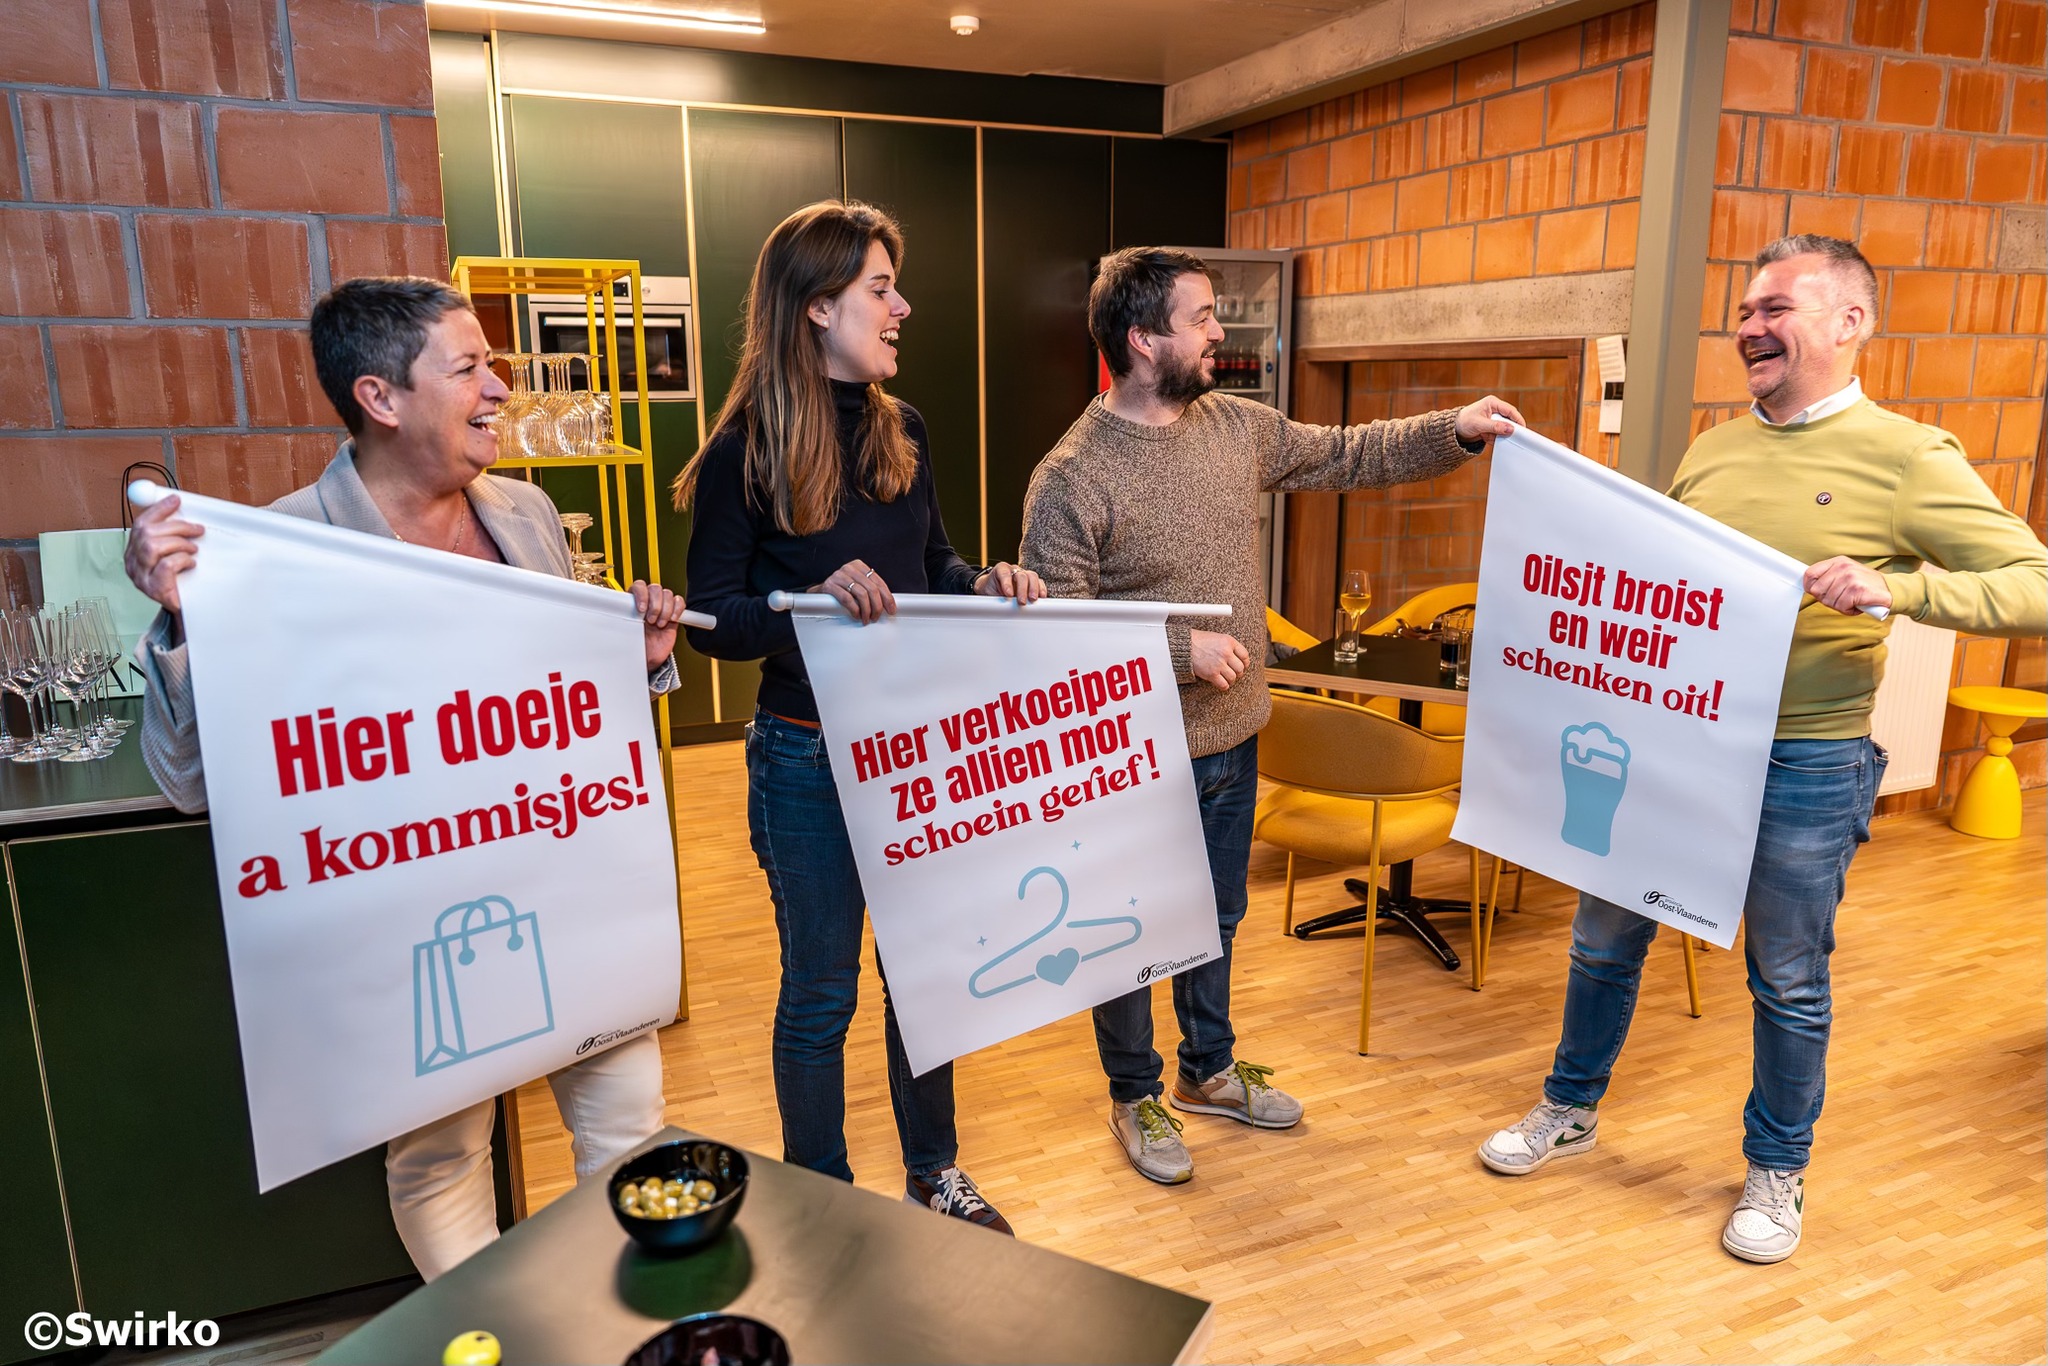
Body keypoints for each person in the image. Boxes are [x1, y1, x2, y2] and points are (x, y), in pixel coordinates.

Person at [1476, 234, 2047, 1264]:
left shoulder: (1909, 456)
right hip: (1670, 747)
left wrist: (1898, 588)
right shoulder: (1711, 449)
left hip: (1805, 763)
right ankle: (1569, 1107)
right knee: (1603, 943)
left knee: (1786, 976)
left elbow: (2034, 587)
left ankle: (1776, 1170)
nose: (1748, 328)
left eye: (1775, 308)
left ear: (1847, 322)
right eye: (1743, 311)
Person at [125, 276, 690, 1280]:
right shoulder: (280, 551)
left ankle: (628, 1328)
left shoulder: (526, 512)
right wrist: (181, 619)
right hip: (412, 922)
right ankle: (496, 1338)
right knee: (438, 1155)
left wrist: (637, 659)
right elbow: (189, 779)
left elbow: (559, 714)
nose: (500, 385)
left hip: (564, 895)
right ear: (381, 398)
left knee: (633, 1127)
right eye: (468, 365)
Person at [1020, 246, 1524, 1185]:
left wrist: (1455, 429)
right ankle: (1136, 1095)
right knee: (1127, 931)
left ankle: (1208, 1072)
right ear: (1141, 338)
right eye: (1202, 317)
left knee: (1214, 915)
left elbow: (1347, 451)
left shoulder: (1234, 427)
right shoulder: (1071, 476)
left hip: (1230, 742)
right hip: (1129, 754)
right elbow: (1055, 635)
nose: (1220, 332)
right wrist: (1180, 651)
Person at [675, 201, 1044, 1232]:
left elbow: (929, 566)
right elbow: (714, 623)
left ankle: (935, 1171)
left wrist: (986, 582)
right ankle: (821, 1198)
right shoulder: (742, 453)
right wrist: (809, 603)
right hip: (803, 760)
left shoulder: (903, 428)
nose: (902, 307)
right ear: (813, 307)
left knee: (927, 980)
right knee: (821, 993)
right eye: (881, 290)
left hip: (912, 750)